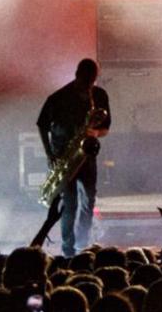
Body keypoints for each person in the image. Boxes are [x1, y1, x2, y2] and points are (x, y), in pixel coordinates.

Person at [35, 58, 111, 253]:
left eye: (92, 81)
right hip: (63, 155)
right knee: (69, 204)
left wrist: (95, 133)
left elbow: (105, 128)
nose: (89, 85)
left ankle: (83, 243)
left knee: (89, 201)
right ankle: (68, 247)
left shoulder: (99, 95)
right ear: (77, 75)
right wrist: (49, 154)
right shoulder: (59, 97)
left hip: (86, 156)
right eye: (86, 81)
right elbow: (42, 125)